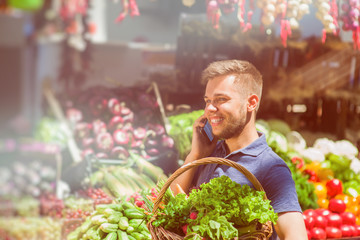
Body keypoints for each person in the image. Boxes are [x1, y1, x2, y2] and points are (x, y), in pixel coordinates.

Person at [170, 60, 307, 240]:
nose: (210, 109)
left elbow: (296, 236)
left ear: (251, 103)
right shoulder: (208, 153)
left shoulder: (270, 167)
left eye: (221, 99)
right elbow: (168, 206)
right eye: (208, 101)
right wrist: (195, 154)